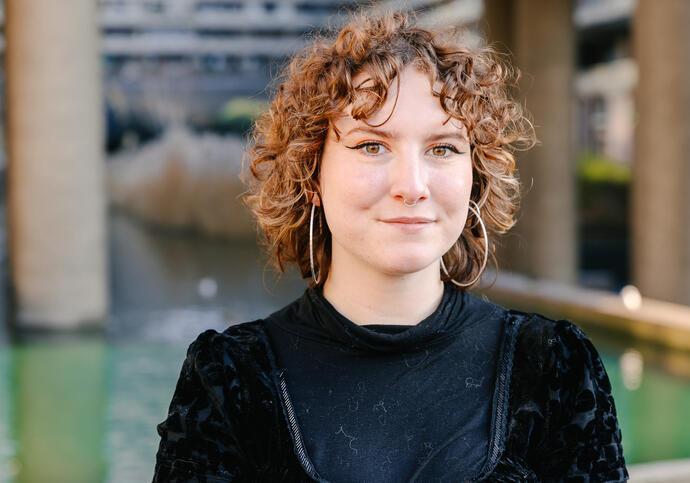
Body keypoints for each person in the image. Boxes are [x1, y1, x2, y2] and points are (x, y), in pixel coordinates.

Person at [153, 9, 628, 482]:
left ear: (475, 176)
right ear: (310, 174)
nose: (412, 185)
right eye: (371, 146)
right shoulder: (227, 378)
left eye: (442, 148)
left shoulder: (554, 367)